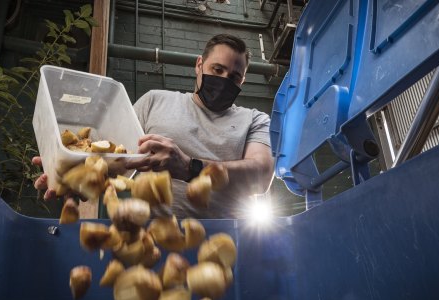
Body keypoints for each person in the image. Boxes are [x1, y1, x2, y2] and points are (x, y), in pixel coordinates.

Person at [34, 33, 273, 219]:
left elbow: (261, 176)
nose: (223, 80)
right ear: (199, 65)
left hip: (223, 242)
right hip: (145, 240)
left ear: (243, 81)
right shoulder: (154, 101)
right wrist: (70, 172)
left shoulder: (254, 119)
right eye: (217, 69)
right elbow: (113, 157)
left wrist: (190, 167)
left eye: (233, 77)